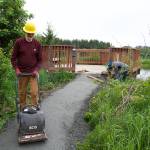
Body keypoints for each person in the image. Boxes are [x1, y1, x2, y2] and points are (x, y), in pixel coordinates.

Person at [11, 22, 42, 110]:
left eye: (32, 34)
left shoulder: (37, 44)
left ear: (34, 33)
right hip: (22, 73)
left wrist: (36, 70)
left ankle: (34, 109)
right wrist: (16, 69)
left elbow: (40, 60)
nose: (30, 35)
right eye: (29, 33)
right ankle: (23, 109)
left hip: (33, 73)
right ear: (25, 32)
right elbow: (13, 58)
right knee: (22, 92)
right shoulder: (19, 42)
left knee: (34, 93)